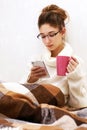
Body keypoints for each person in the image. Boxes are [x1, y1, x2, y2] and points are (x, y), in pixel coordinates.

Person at [21, 4, 87, 108]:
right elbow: (22, 94)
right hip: (35, 103)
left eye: (51, 34)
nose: (47, 41)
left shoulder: (75, 63)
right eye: (43, 36)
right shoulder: (37, 60)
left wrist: (75, 77)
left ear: (63, 32)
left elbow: (79, 105)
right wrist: (30, 80)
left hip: (56, 105)